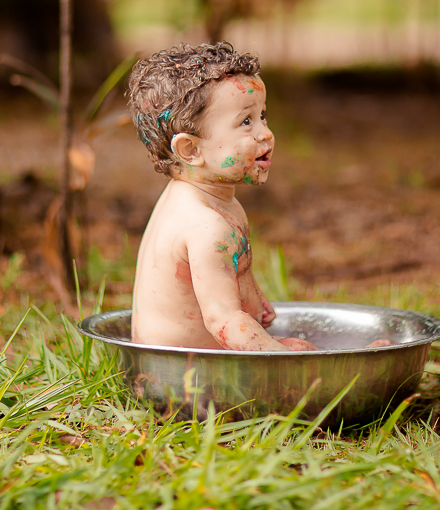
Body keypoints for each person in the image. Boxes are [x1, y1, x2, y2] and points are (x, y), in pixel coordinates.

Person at [126, 42, 316, 351]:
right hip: (192, 375)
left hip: (184, 361)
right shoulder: (207, 225)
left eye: (262, 116)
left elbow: (223, 276)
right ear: (191, 150)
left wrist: (253, 300)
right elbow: (222, 321)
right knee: (301, 349)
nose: (265, 133)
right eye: (245, 122)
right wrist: (283, 357)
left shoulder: (199, 198)